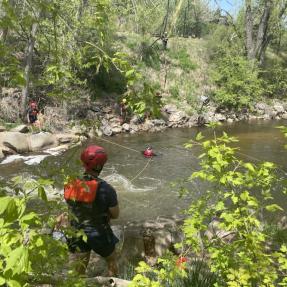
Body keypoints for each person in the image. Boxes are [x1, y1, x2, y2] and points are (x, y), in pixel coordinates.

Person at [64, 145, 120, 276]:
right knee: (112, 260)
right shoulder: (107, 189)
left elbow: (70, 207)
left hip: (76, 231)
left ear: (83, 163)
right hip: (99, 232)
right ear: (100, 166)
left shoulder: (70, 183)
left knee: (80, 266)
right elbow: (116, 215)